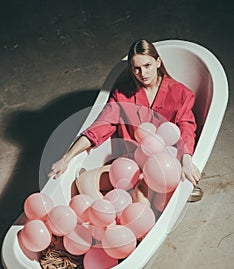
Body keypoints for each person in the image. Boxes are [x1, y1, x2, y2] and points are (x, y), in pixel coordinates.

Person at [48, 39, 202, 192]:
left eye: (147, 65)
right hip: (132, 162)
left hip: (164, 164)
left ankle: (167, 193)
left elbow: (186, 127)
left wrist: (187, 159)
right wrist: (66, 158)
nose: (143, 74)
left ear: (158, 62)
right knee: (84, 181)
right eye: (136, 68)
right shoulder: (122, 95)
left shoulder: (181, 93)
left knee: (140, 195)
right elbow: (100, 126)